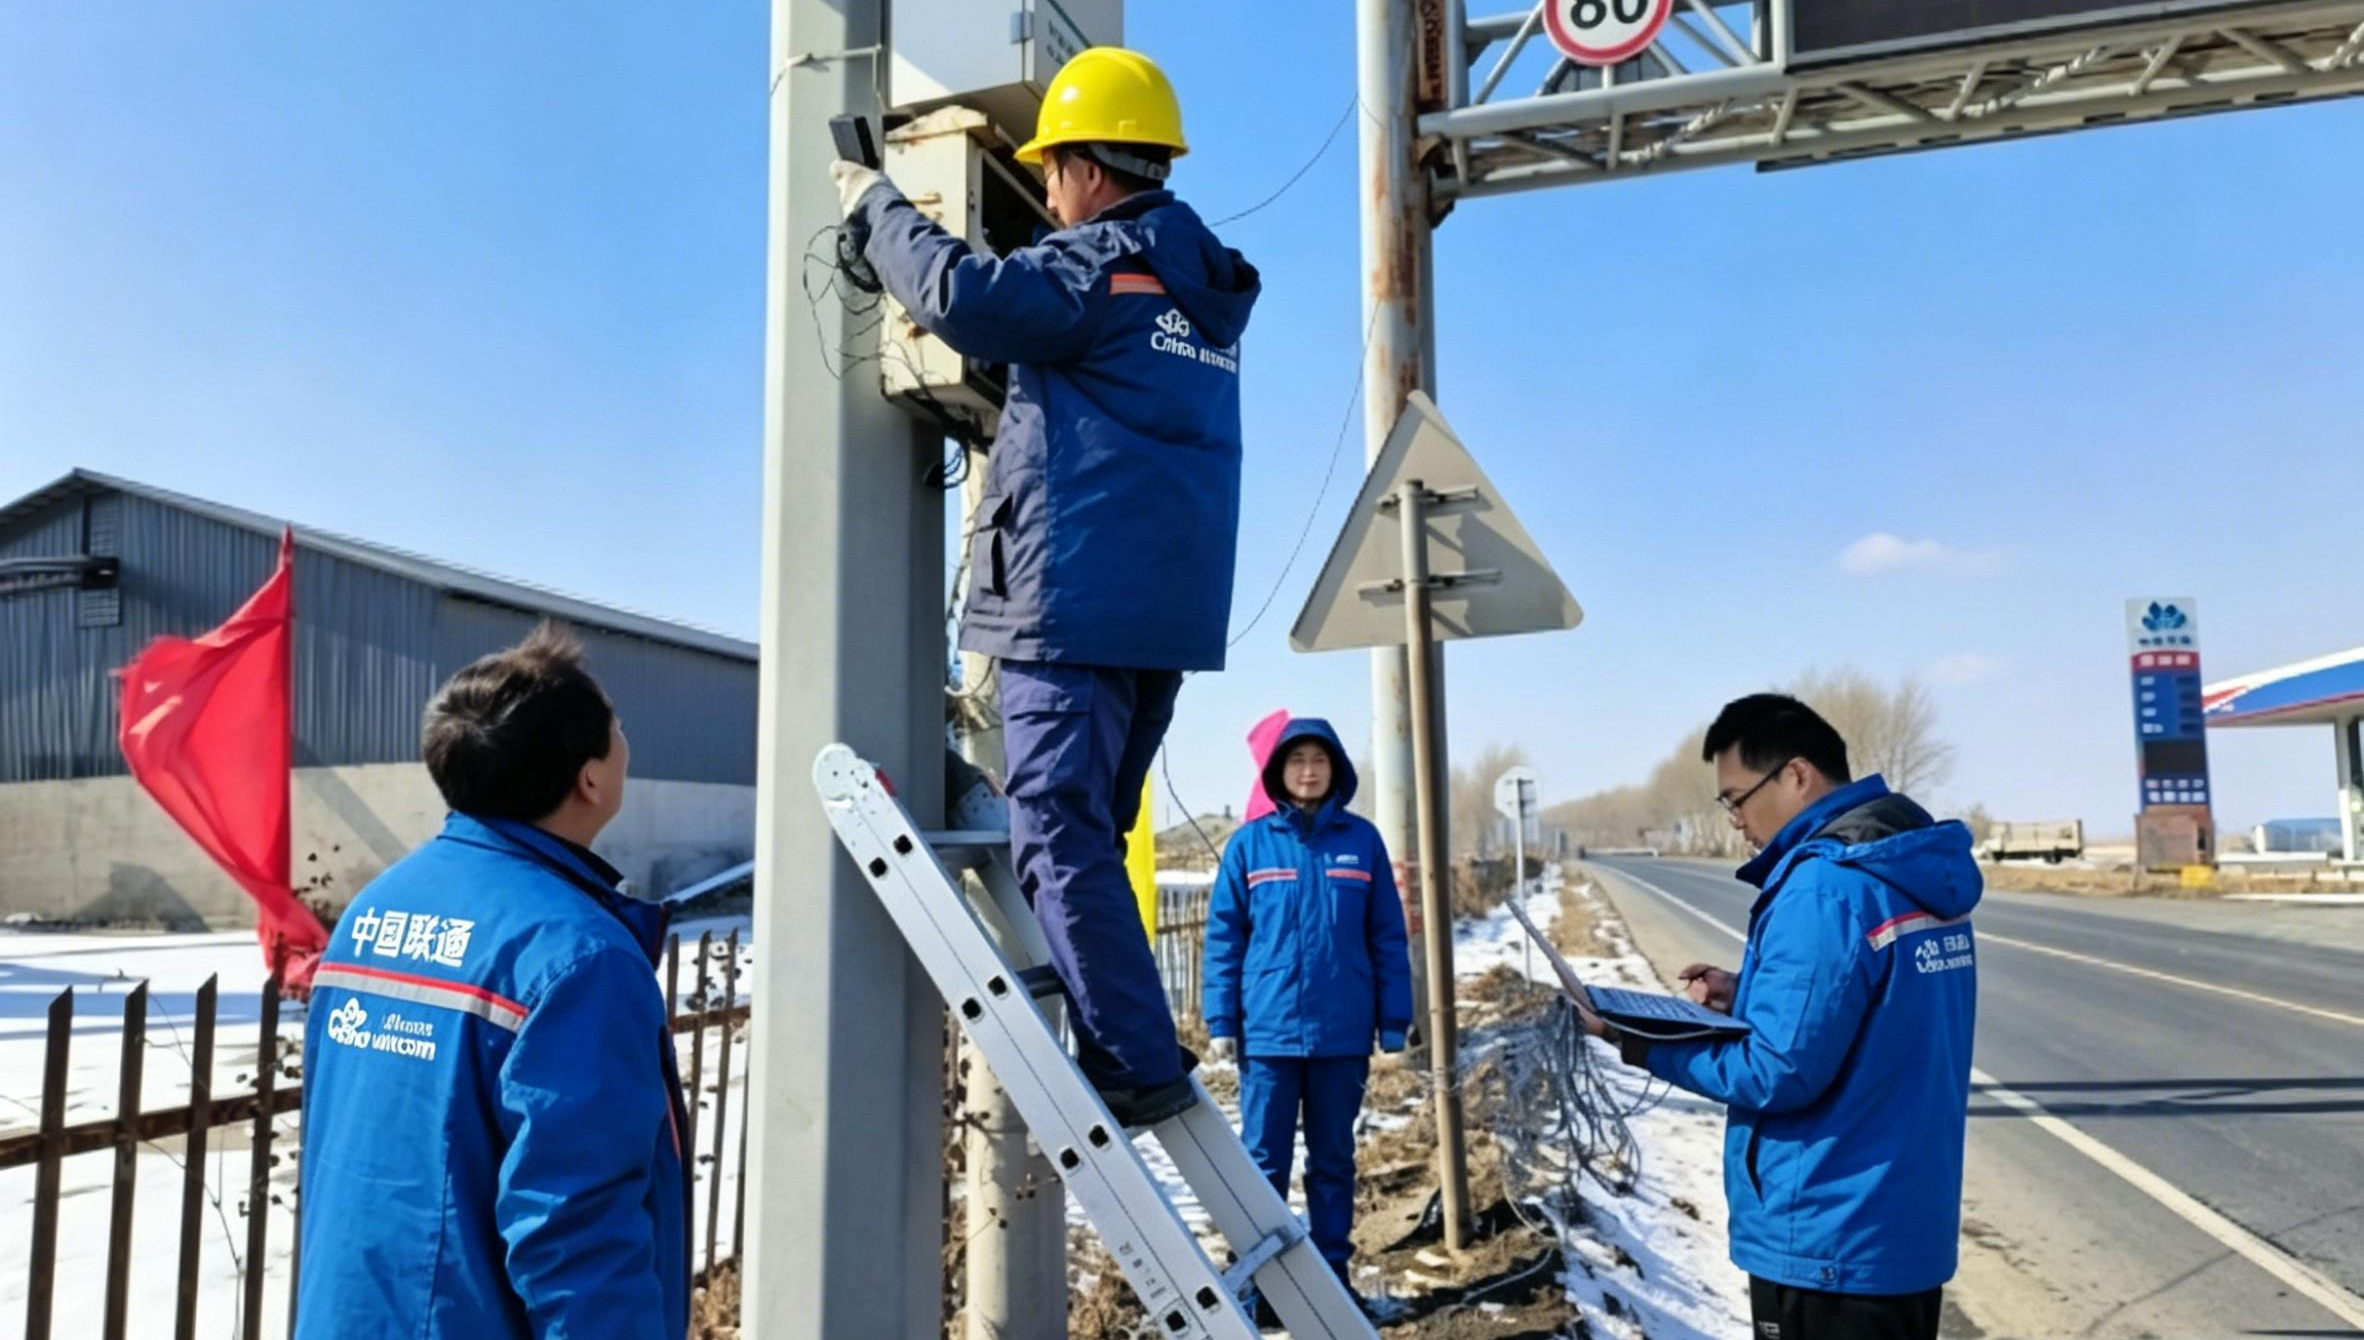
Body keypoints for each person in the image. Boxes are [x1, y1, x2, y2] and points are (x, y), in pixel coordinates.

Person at [830, 46, 1261, 1126]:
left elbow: (962, 296)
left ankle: (1135, 1060)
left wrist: (875, 203)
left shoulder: (1096, 265)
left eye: (1052, 173)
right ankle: (1131, 1027)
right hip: (1164, 614)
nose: (1050, 199)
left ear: (1087, 168)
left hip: (1070, 598)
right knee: (1091, 834)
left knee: (1058, 831)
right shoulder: (1198, 285)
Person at [296, 625, 688, 1340]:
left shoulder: (373, 911)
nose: (626, 743)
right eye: (617, 729)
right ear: (590, 778)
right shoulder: (579, 958)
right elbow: (578, 1233)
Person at [1584, 694, 1981, 1340]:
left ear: (1796, 775)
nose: (1735, 820)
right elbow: (1871, 1005)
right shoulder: (1906, 866)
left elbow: (1776, 1071)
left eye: (1736, 798)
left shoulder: (1825, 887)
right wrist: (1749, 993)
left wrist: (1637, 1038)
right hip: (1901, 1229)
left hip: (1827, 1238)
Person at [1202, 718, 1414, 1325]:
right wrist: (1221, 1019)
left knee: (1333, 1162)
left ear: (1335, 769)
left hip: (1341, 1034)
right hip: (1267, 1034)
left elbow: (1387, 936)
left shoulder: (1362, 842)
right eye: (1297, 761)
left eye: (1319, 760)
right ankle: (1259, 1289)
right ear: (1278, 772)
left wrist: (1394, 1019)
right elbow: (1224, 939)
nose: (1309, 771)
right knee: (1261, 1165)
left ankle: (1330, 1284)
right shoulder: (1250, 845)